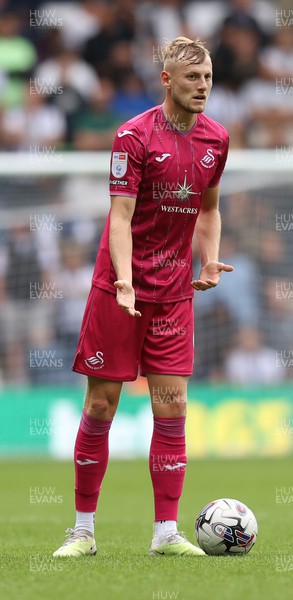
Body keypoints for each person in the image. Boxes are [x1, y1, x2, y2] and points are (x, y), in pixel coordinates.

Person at [53, 36, 233, 558]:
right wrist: (126, 280)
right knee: (102, 404)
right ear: (167, 80)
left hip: (175, 293)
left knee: (172, 404)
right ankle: (83, 531)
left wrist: (209, 258)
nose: (202, 87)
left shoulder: (217, 139)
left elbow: (209, 209)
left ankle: (166, 534)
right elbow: (122, 216)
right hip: (120, 289)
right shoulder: (132, 136)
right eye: (192, 78)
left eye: (208, 78)